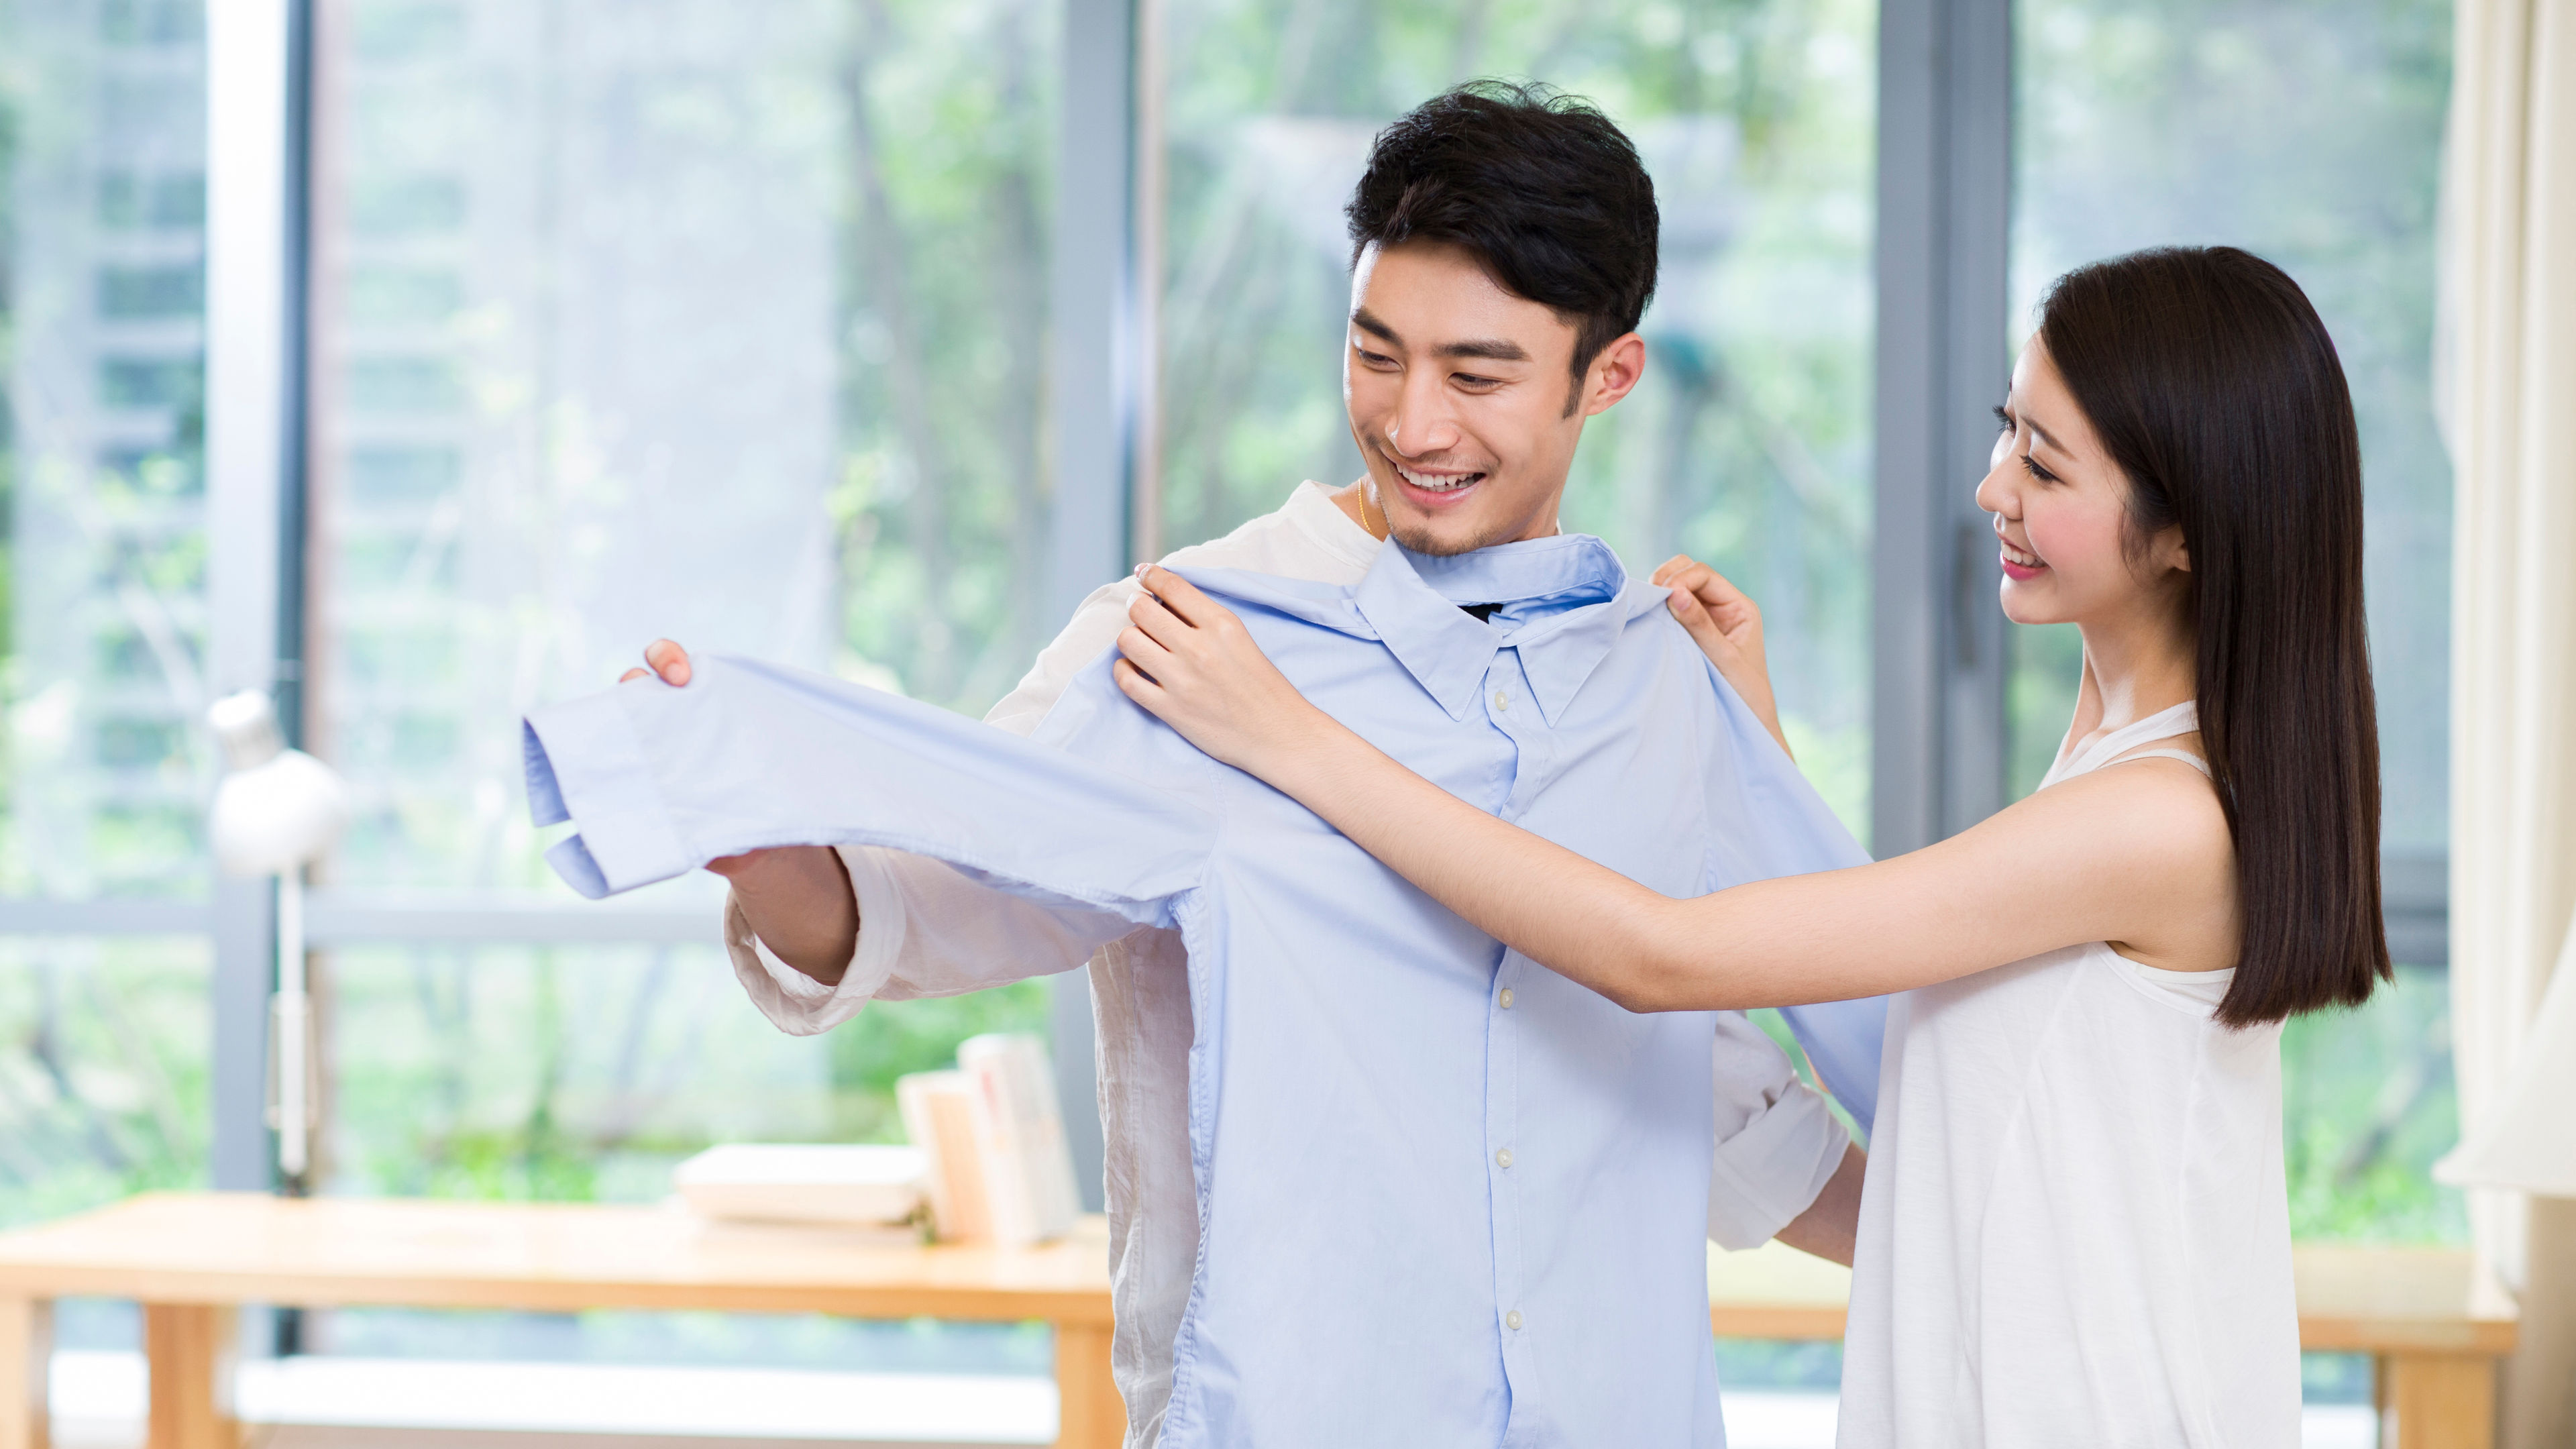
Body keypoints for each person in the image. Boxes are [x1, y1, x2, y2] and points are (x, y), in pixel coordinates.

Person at [599, 83, 1882, 1446]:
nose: (1414, 425)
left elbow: (1730, 1099)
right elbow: (918, 910)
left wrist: (2020, 1241)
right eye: (1376, 354)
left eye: (1479, 374)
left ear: (1608, 376)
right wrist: (755, 836)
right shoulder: (1183, 640)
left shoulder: (1653, 679)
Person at [1108, 244, 2389, 1446]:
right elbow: (1918, 1038)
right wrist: (1754, 740)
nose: (1992, 487)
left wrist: (1292, 742)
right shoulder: (2109, 761)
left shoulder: (2158, 820)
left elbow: (1660, 958)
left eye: (2046, 470)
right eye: (2008, 430)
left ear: (2183, 535)